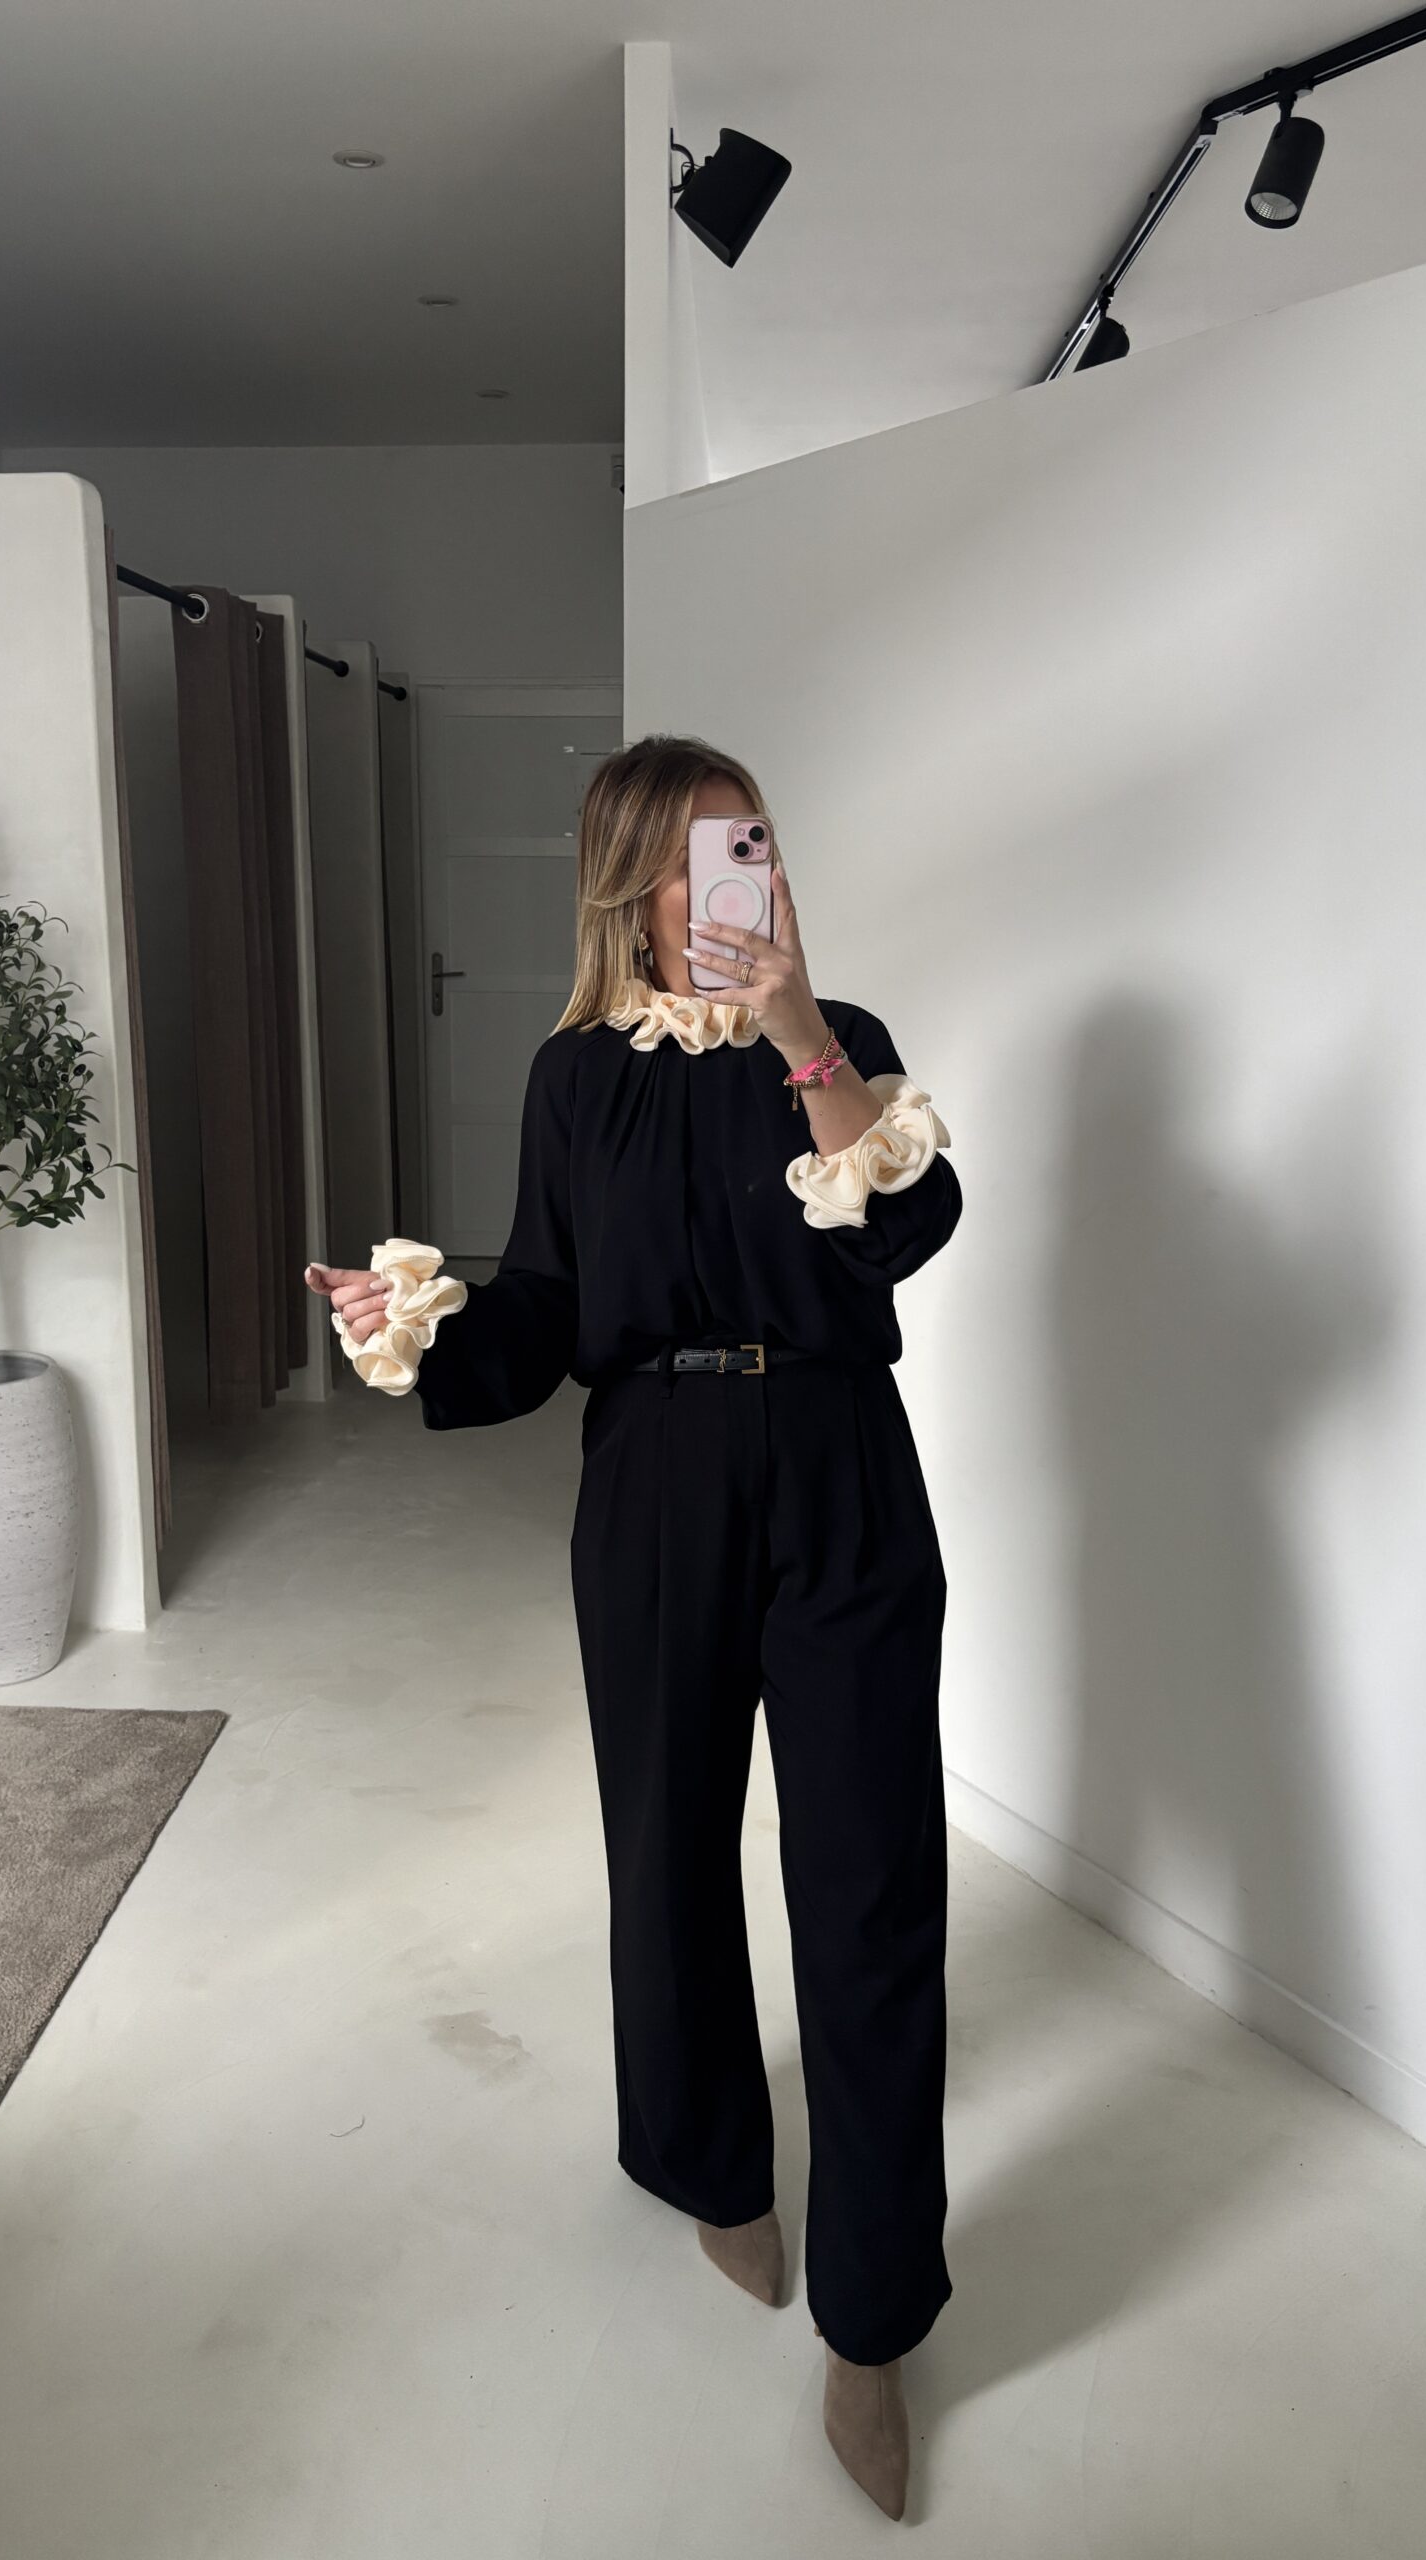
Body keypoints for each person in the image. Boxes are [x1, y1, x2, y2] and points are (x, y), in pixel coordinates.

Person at [307, 733, 962, 2521]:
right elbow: (549, 1304)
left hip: (840, 1467)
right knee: (665, 1854)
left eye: (748, 844)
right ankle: (711, 2168)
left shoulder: (842, 1041)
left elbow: (906, 1228)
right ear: (625, 883)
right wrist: (423, 1325)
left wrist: (799, 1028)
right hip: (656, 1481)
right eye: (690, 856)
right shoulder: (573, 1076)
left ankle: (874, 2317)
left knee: (871, 1886)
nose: (727, 883)